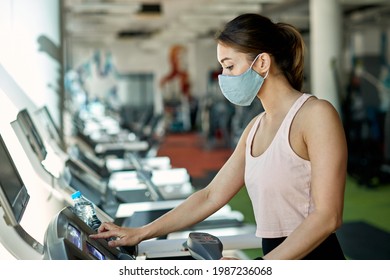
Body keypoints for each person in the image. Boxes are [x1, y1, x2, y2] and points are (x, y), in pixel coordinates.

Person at [90, 13, 347, 260]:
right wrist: (140, 233)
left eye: (230, 66)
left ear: (262, 63)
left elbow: (327, 216)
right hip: (275, 257)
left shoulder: (316, 115)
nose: (224, 77)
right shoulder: (255, 127)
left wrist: (260, 267)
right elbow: (210, 195)